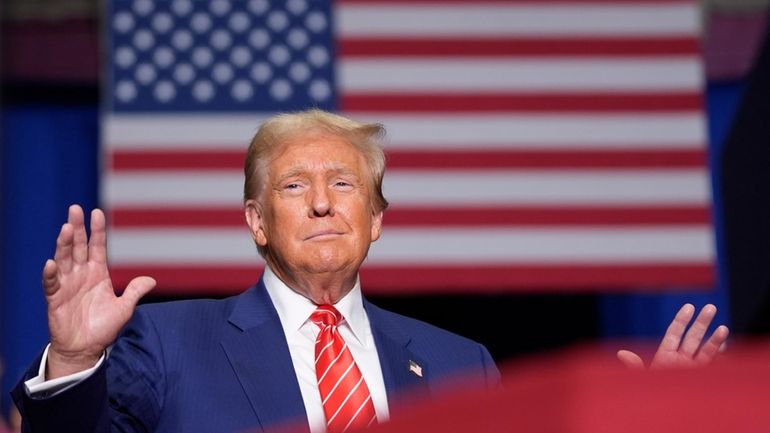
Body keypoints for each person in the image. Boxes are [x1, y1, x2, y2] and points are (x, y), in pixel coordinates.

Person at [11, 110, 729, 433]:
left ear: (377, 219)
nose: (322, 201)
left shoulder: (462, 364)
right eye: (293, 186)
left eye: (345, 184)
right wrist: (74, 359)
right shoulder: (168, 343)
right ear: (257, 222)